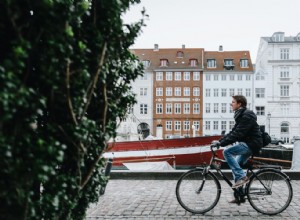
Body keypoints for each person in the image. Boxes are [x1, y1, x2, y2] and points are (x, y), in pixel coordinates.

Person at [212, 95, 263, 202]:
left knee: (227, 152)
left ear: (239, 104)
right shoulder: (241, 115)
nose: (231, 104)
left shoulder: (247, 115)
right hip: (249, 143)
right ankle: (239, 195)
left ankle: (243, 177)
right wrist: (220, 141)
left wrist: (221, 144)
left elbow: (238, 133)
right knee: (237, 165)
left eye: (233, 102)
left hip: (251, 144)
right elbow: (233, 132)